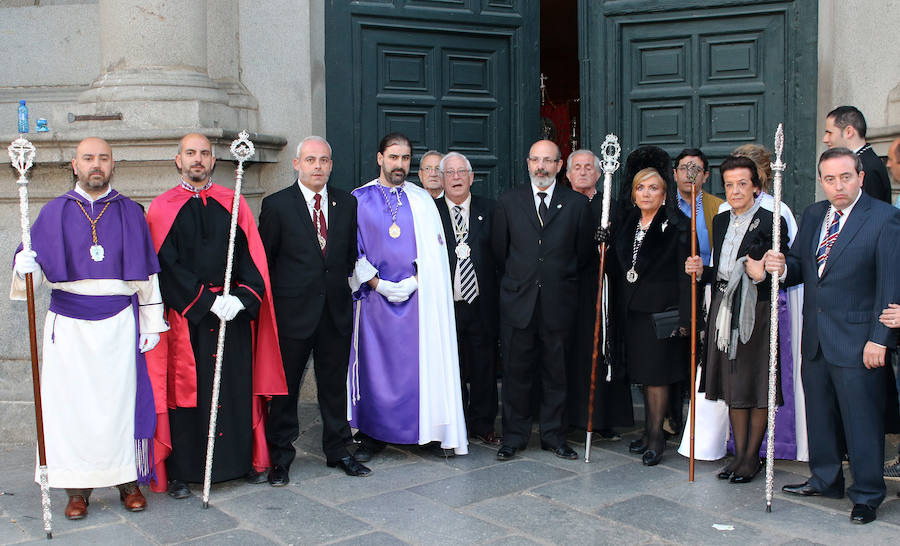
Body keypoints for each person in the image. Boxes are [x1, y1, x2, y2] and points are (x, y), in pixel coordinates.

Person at [10, 137, 167, 519]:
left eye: (104, 158)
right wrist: (25, 266)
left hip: (118, 325)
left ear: (114, 164)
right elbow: (30, 278)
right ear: (74, 164)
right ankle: (75, 489)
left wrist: (150, 322)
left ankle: (127, 482)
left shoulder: (130, 212)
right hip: (69, 328)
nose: (96, 164)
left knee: (119, 404)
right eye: (88, 158)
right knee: (71, 407)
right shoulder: (53, 212)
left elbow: (146, 276)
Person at [145, 133, 287, 499]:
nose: (198, 159)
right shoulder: (162, 208)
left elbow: (253, 260)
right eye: (190, 153)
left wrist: (240, 298)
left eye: (204, 153)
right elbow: (165, 266)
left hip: (233, 319)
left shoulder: (233, 201)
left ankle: (239, 463)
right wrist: (205, 301)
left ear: (213, 160)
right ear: (178, 160)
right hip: (188, 321)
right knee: (188, 397)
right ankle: (183, 472)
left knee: (234, 389)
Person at [765, 147, 900, 524]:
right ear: (821, 181)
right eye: (829, 179)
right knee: (820, 415)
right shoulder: (813, 215)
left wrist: (880, 339)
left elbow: (891, 286)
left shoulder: (885, 219)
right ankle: (826, 478)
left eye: (845, 177)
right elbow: (799, 268)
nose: (837, 186)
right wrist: (779, 267)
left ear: (860, 176)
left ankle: (868, 492)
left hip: (860, 342)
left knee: (861, 421)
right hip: (817, 337)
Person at [349, 133, 467, 460]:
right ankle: (372, 435)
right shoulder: (359, 198)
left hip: (418, 302)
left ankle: (424, 431)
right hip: (374, 303)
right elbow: (352, 248)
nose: (399, 164)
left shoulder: (421, 200)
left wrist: (415, 281)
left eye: (404, 158)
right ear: (379, 158)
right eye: (393, 157)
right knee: (376, 368)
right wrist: (378, 284)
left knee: (417, 367)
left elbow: (435, 255)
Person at [259, 136, 370, 484]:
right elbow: (266, 260)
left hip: (335, 311)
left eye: (324, 160)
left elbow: (350, 253)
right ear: (297, 164)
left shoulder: (347, 204)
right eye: (310, 160)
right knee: (286, 388)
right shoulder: (276, 205)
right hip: (293, 314)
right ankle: (280, 457)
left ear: (331, 165)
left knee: (334, 385)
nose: (317, 166)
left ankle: (338, 450)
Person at [684, 156, 788, 483]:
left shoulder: (773, 220)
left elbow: (774, 273)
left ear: (756, 186)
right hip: (723, 308)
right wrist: (703, 272)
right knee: (732, 384)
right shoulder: (721, 220)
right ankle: (738, 455)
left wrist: (763, 272)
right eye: (729, 184)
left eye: (742, 183)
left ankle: (751, 457)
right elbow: (723, 271)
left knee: (754, 385)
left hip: (754, 311)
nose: (735, 190)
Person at [491, 139, 593, 461]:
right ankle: (514, 437)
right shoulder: (508, 202)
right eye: (536, 160)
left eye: (548, 161)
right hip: (518, 305)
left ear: (559, 165)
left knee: (556, 374)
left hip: (558, 306)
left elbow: (584, 255)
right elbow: (499, 253)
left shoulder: (576, 204)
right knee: (516, 374)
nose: (541, 167)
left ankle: (554, 436)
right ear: (527, 162)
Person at [610, 146, 691, 467]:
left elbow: (686, 277)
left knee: (658, 377)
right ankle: (648, 430)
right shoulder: (626, 222)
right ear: (632, 193)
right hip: (632, 313)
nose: (646, 193)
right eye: (640, 187)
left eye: (653, 188)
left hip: (662, 313)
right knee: (644, 375)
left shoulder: (677, 225)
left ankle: (657, 439)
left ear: (664, 193)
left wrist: (687, 317)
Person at [564, 149, 633, 440]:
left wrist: (610, 245)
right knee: (573, 353)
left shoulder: (613, 207)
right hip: (573, 290)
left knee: (605, 350)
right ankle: (571, 418)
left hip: (607, 288)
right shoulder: (561, 204)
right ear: (566, 174)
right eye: (576, 167)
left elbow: (628, 249)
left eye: (588, 167)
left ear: (599, 172)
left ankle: (604, 418)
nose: (582, 172)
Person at [434, 151, 502, 446]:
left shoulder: (492, 210)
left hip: (481, 302)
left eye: (462, 172)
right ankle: (455, 422)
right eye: (450, 173)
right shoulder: (430, 212)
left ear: (472, 177)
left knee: (485, 366)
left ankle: (483, 424)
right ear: (443, 179)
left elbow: (501, 255)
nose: (457, 178)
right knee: (451, 368)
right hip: (445, 305)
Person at [822, 105, 892, 203]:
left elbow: (870, 213)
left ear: (849, 132)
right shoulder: (862, 161)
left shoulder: (868, 167)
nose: (825, 139)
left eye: (830, 133)